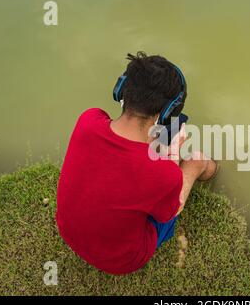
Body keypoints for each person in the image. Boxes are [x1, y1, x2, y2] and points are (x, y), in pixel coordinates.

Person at [56, 52, 217, 275]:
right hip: (120, 260)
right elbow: (168, 213)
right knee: (199, 161)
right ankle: (207, 169)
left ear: (121, 91)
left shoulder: (88, 120)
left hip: (69, 232)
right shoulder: (162, 174)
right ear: (169, 111)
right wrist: (173, 156)